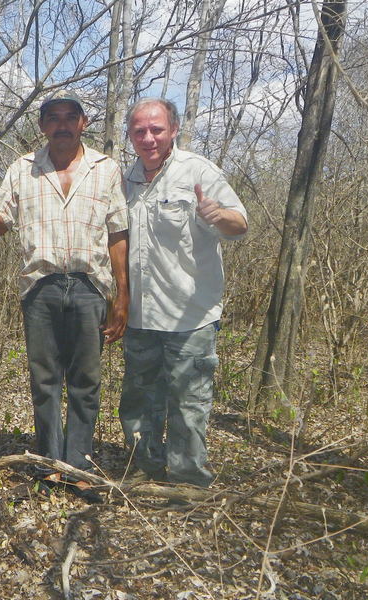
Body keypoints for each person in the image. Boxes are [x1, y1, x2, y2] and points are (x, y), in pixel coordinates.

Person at [0, 90, 129, 503]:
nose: (62, 125)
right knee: (45, 382)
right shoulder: (22, 169)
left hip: (90, 287)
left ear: (84, 123)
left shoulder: (106, 169)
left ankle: (79, 467)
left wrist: (122, 297)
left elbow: (119, 233)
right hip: (40, 288)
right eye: (53, 118)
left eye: (71, 117)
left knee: (86, 382)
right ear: (42, 126)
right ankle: (51, 465)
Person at [119, 98, 248, 487]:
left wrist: (217, 215)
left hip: (190, 316)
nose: (148, 137)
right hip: (140, 316)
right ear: (130, 135)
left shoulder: (198, 171)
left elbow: (240, 223)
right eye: (139, 130)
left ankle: (189, 482)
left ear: (173, 130)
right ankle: (145, 472)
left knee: (189, 407)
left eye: (156, 129)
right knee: (140, 403)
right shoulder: (125, 179)